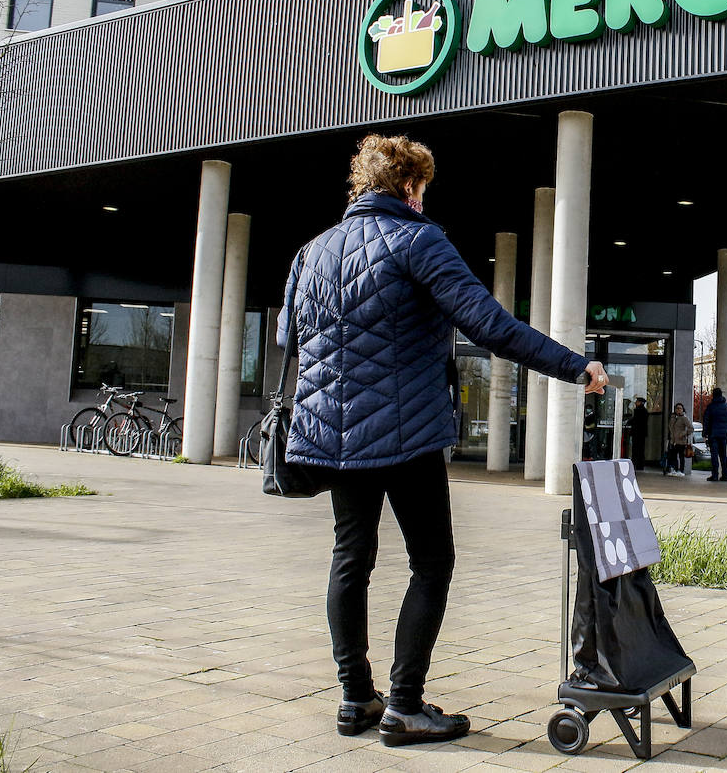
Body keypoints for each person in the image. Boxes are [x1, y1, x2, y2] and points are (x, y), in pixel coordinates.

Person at [277, 134, 609, 746]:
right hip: (407, 435)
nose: (424, 199)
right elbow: (489, 324)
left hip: (333, 436)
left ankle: (356, 698)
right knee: (432, 563)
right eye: (423, 188)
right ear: (410, 186)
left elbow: (285, 337)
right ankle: (404, 705)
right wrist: (573, 365)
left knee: (351, 557)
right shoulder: (417, 240)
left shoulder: (312, 251)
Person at [701, 387, 727, 481]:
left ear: (713, 395)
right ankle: (725, 475)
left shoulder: (711, 407)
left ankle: (715, 475)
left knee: (714, 455)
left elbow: (706, 421)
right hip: (723, 435)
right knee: (723, 455)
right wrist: (726, 429)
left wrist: (705, 433)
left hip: (713, 435)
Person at [665, 402, 692, 477]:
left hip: (681, 441)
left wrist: (683, 434)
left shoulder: (684, 418)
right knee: (673, 456)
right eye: (677, 408)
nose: (678, 410)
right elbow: (670, 428)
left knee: (681, 456)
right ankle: (674, 469)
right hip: (673, 440)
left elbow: (691, 428)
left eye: (680, 408)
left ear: (683, 409)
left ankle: (681, 470)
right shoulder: (673, 418)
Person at [629, 396, 648, 470]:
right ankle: (639, 464)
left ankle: (637, 464)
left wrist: (629, 422)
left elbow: (635, 421)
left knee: (637, 449)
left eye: (637, 402)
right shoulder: (643, 411)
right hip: (640, 433)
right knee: (640, 449)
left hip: (638, 433)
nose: (636, 403)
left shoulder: (639, 411)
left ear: (641, 403)